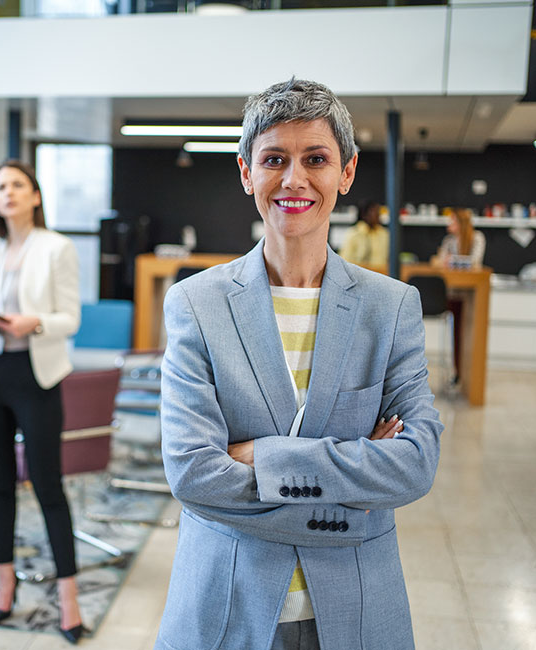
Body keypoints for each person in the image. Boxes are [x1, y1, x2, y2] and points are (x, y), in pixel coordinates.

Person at [154, 79, 443, 650]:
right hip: (226, 599)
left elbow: (415, 463)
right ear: (246, 173)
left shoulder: (390, 308)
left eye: (315, 159)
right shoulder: (196, 303)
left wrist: (263, 456)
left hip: (355, 603)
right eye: (274, 160)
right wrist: (354, 489)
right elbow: (191, 472)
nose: (294, 180)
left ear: (347, 173)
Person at [0, 160, 85, 644]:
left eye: (16, 185)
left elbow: (70, 318)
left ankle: (68, 595)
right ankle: (4, 583)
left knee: (48, 485)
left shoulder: (57, 247)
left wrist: (34, 322)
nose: (6, 193)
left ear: (34, 195)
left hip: (35, 373)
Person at [339, 200, 388, 267]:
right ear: (365, 214)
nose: (378, 215)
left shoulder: (384, 233)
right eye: (375, 212)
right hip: (358, 274)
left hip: (381, 274)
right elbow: (345, 261)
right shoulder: (353, 233)